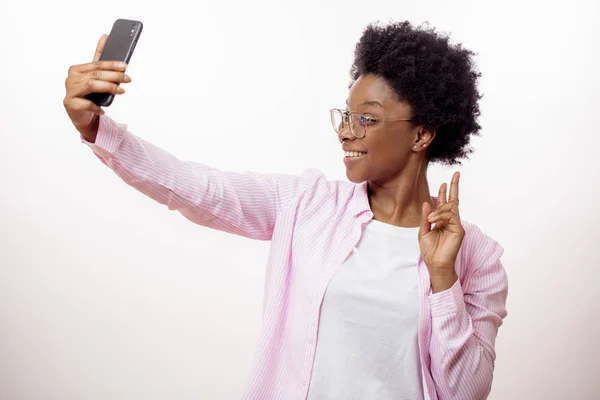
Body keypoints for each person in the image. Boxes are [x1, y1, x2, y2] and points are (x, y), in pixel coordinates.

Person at [63, 20, 508, 400]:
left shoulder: (476, 255)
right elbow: (194, 188)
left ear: (422, 135)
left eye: (366, 119)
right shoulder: (307, 205)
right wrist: (95, 127)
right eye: (345, 116)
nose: (346, 133)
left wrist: (443, 278)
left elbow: (466, 391)